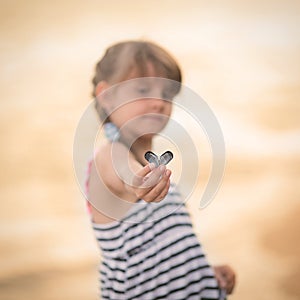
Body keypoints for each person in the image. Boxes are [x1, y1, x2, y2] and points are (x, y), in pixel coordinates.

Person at [85, 40, 235, 299]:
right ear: (107, 96)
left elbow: (163, 251)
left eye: (167, 93)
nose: (158, 102)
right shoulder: (109, 156)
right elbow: (123, 172)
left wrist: (201, 275)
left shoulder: (155, 171)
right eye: (143, 90)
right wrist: (137, 181)